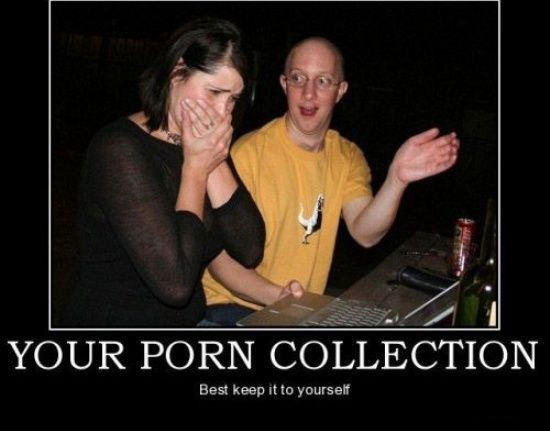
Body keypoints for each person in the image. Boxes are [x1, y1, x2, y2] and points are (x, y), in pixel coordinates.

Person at [201, 36, 460, 325]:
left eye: (323, 81)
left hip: (295, 311)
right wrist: (280, 298)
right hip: (229, 308)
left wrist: (397, 179)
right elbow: (219, 262)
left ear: (340, 91)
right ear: (284, 84)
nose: (308, 93)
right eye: (298, 78)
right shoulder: (246, 154)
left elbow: (365, 233)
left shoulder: (347, 156)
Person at [61, 18, 266, 327]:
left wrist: (213, 159)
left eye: (233, 99)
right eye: (214, 92)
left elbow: (249, 250)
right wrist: (195, 169)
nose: (224, 113)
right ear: (176, 72)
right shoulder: (119, 148)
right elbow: (175, 284)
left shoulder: (203, 144)